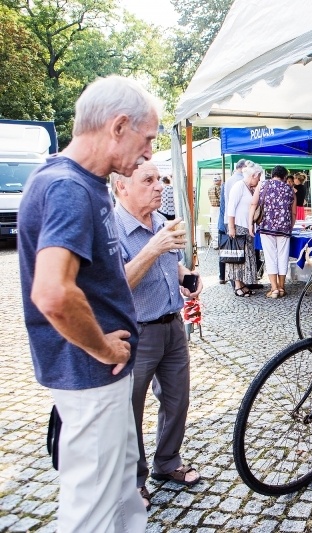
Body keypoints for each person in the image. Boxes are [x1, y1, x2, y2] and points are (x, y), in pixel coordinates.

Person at [18, 75, 157, 532]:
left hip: (99, 377)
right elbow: (53, 292)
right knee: (93, 508)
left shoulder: (79, 180)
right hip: (92, 373)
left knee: (119, 490)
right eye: (148, 138)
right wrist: (102, 347)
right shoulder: (68, 187)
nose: (149, 153)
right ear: (119, 126)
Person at [111, 162, 203, 512]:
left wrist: (187, 277)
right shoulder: (112, 229)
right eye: (148, 180)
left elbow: (173, 263)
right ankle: (134, 482)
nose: (159, 186)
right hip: (136, 333)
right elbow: (116, 287)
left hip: (172, 326)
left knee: (177, 400)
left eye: (161, 179)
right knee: (130, 411)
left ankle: (168, 462)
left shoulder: (163, 222)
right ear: (122, 187)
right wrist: (153, 247)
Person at [250, 165, 296, 298]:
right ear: (284, 177)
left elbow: (253, 204)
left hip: (266, 226)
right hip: (284, 228)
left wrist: (250, 224)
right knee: (283, 256)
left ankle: (274, 288)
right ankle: (282, 287)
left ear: (272, 174)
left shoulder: (262, 185)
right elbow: (293, 213)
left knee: (270, 257)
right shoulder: (290, 189)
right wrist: (290, 227)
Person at [227, 163, 262, 296]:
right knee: (239, 257)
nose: (259, 180)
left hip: (246, 227)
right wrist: (231, 227)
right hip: (238, 226)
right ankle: (237, 285)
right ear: (254, 175)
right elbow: (231, 207)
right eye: (258, 177)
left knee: (246, 257)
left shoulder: (248, 188)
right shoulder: (239, 186)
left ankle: (242, 284)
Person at [217, 159, 251, 284]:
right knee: (237, 252)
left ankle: (226, 278)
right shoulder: (239, 182)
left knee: (230, 250)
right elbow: (232, 206)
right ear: (243, 168)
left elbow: (224, 205)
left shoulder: (228, 181)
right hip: (236, 222)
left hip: (226, 221)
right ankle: (237, 283)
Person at [208, 175, 221, 248]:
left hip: (212, 208)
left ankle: (214, 244)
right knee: (218, 226)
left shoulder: (210, 188)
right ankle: (219, 243)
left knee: (213, 226)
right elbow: (221, 198)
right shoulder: (218, 188)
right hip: (218, 208)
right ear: (219, 181)